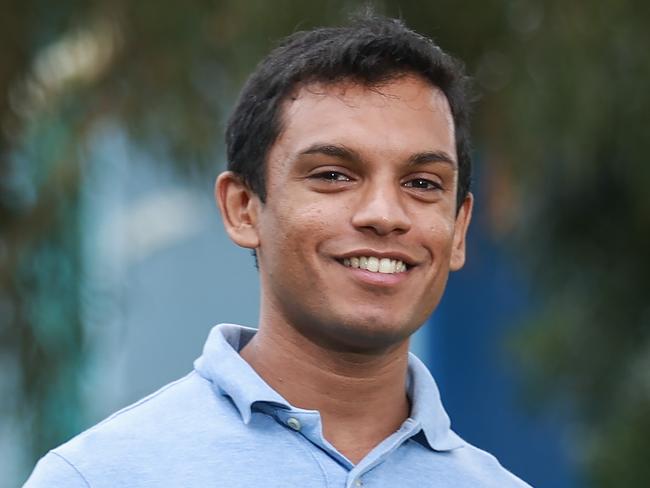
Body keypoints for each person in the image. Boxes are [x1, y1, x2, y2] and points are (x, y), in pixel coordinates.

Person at [25, 13, 531, 488]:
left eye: (422, 183)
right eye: (334, 175)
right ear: (243, 208)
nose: (384, 213)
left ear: (459, 229)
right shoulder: (100, 476)